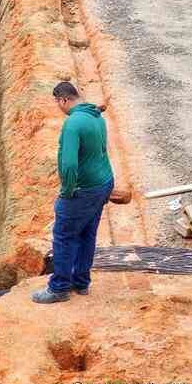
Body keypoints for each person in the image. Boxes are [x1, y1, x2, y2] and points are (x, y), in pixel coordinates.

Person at [32, 82, 114, 304]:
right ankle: (81, 282)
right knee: (87, 234)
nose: (58, 108)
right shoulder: (96, 115)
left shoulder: (73, 124)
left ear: (63, 100)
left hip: (83, 190)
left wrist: (67, 191)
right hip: (103, 184)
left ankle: (59, 288)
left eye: (57, 104)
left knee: (64, 237)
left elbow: (69, 165)